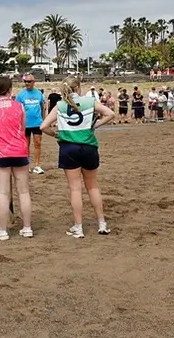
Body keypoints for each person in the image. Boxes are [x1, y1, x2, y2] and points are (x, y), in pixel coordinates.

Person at [40, 76, 115, 238]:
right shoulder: (89, 101)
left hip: (68, 148)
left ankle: (78, 227)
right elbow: (110, 114)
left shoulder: (60, 105)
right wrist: (94, 125)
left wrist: (56, 135)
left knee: (75, 188)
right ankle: (102, 223)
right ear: (78, 88)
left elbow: (43, 126)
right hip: (89, 147)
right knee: (93, 186)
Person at [0, 76, 33, 240]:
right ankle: (27, 228)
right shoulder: (19, 106)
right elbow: (23, 128)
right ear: (10, 89)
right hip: (19, 151)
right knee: (24, 191)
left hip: (0, 153)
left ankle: (2, 230)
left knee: (3, 193)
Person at [16, 73, 46, 174]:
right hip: (25, 124)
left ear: (34, 82)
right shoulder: (21, 95)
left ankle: (37, 165)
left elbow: (42, 106)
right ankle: (26, 164)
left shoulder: (39, 93)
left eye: (29, 81)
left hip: (37, 123)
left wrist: (44, 120)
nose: (27, 83)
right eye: (25, 81)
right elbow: (17, 110)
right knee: (26, 145)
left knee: (38, 143)